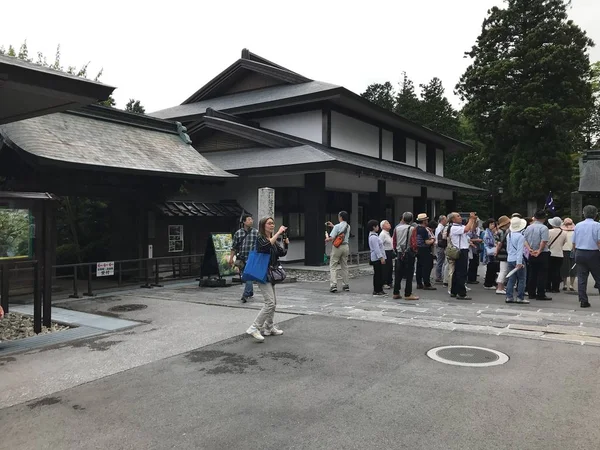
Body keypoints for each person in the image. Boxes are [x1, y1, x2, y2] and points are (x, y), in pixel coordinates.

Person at [245, 217, 289, 342]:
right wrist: (278, 233)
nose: (272, 225)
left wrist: (285, 243)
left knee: (273, 303)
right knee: (269, 303)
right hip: (263, 274)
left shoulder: (273, 240)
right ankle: (254, 327)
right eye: (269, 223)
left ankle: (269, 327)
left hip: (271, 274)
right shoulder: (260, 238)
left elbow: (281, 253)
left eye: (273, 223)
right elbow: (265, 246)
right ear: (263, 226)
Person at [572, 205, 600, 308]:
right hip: (593, 253)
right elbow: (599, 241)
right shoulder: (597, 225)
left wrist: (575, 252)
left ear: (584, 213)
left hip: (580, 252)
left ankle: (583, 300)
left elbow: (574, 242)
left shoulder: (578, 225)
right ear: (595, 214)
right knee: (598, 277)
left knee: (582, 278)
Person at [230, 214, 259, 303]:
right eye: (249, 219)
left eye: (251, 219)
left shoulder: (256, 232)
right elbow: (234, 247)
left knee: (248, 275)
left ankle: (245, 294)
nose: (251, 221)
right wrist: (231, 258)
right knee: (246, 276)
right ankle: (250, 292)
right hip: (242, 258)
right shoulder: (238, 233)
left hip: (252, 258)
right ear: (244, 222)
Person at [449, 211, 477, 300]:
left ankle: (454, 291)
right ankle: (461, 293)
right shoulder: (454, 227)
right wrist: (471, 219)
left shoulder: (460, 226)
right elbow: (466, 230)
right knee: (462, 272)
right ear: (453, 219)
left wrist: (474, 221)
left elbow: (470, 230)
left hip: (463, 249)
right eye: (458, 216)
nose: (460, 217)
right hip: (460, 250)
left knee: (457, 271)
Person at [524, 210, 552, 301]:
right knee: (542, 274)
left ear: (535, 217)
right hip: (542, 253)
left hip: (531, 252)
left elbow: (524, 240)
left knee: (532, 273)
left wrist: (529, 249)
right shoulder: (544, 228)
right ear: (544, 218)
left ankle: (531, 293)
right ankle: (540, 293)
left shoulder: (528, 227)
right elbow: (544, 241)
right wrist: (539, 251)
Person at [392, 212, 419, 300]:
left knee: (398, 273)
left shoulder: (397, 228)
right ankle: (408, 293)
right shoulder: (412, 229)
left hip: (399, 252)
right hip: (408, 253)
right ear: (411, 219)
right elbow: (414, 242)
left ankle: (396, 292)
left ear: (403, 218)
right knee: (409, 274)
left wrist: (396, 250)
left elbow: (394, 241)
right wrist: (415, 251)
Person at [326, 211, 350, 293]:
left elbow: (331, 238)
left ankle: (333, 285)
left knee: (333, 265)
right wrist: (333, 226)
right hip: (346, 246)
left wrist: (326, 238)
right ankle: (346, 284)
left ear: (340, 217)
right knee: (344, 265)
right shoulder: (348, 226)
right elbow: (341, 232)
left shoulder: (337, 226)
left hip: (337, 247)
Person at [505, 217, 528, 304]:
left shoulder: (509, 235)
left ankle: (509, 296)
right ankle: (520, 297)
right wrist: (519, 262)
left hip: (510, 258)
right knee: (522, 279)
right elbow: (519, 250)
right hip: (518, 259)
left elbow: (508, 248)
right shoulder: (521, 237)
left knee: (511, 279)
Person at [415, 213, 436, 290]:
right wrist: (433, 239)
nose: (427, 221)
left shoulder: (417, 228)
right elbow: (427, 242)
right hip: (425, 249)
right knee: (427, 266)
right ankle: (426, 283)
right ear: (424, 221)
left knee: (419, 266)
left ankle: (419, 283)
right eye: (426, 220)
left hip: (418, 249)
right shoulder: (423, 230)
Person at [547, 217, 567, 293]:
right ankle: (555, 288)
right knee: (557, 271)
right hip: (559, 254)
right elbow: (564, 242)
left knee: (548, 270)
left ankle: (548, 287)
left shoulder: (548, 231)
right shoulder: (564, 233)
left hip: (550, 253)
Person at [368, 219, 387, 296]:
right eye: (377, 226)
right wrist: (381, 257)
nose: (378, 227)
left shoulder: (374, 236)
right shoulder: (373, 237)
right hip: (376, 258)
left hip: (377, 257)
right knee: (378, 274)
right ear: (374, 227)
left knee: (379, 274)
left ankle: (379, 289)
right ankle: (377, 289)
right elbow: (377, 249)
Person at [495, 215, 511, 295]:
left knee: (503, 270)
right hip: (503, 253)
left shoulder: (501, 231)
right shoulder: (502, 232)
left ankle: (500, 287)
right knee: (503, 270)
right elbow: (499, 244)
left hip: (502, 253)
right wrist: (496, 252)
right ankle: (500, 287)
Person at [560, 218, 577, 291]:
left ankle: (564, 284)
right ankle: (571, 285)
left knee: (564, 268)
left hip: (564, 250)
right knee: (573, 267)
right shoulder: (575, 232)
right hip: (573, 250)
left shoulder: (562, 232)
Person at [482, 219, 499, 289]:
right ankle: (488, 283)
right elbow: (489, 242)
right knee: (490, 267)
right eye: (491, 224)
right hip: (489, 251)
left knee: (493, 267)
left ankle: (491, 281)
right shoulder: (487, 233)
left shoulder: (490, 232)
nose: (493, 225)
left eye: (493, 224)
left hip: (491, 251)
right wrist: (495, 244)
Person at [379, 220, 394, 289]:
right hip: (385, 252)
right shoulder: (382, 234)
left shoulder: (388, 233)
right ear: (383, 226)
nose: (389, 224)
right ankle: (384, 282)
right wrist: (381, 256)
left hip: (390, 252)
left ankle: (389, 281)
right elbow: (380, 245)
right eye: (387, 223)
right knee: (385, 268)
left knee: (390, 267)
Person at [434, 215, 447, 283]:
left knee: (440, 261)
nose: (446, 221)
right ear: (442, 220)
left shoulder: (440, 227)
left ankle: (439, 276)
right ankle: (438, 277)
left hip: (439, 245)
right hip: (440, 246)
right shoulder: (440, 228)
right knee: (440, 261)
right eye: (445, 220)